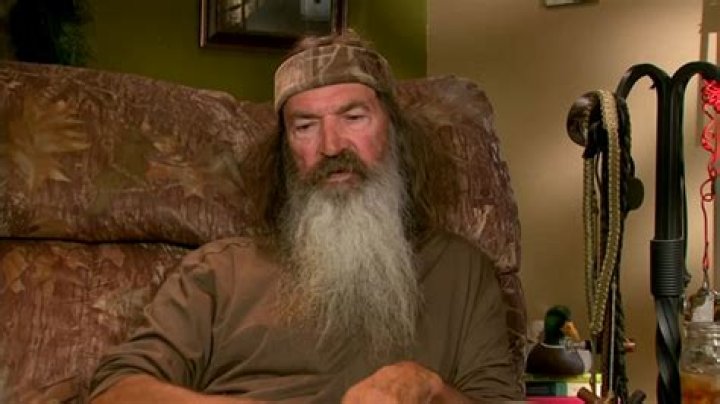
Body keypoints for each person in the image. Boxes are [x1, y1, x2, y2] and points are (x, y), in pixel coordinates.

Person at [89, 31, 522, 403]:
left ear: (395, 132)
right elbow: (115, 390)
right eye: (305, 126)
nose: (331, 147)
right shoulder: (218, 272)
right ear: (285, 153)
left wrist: (428, 386)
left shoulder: (461, 271)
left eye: (353, 117)